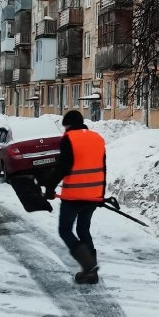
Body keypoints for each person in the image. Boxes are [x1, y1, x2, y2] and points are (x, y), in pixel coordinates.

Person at [45, 109, 107, 285]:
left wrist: (49, 188)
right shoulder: (97, 138)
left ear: (69, 125)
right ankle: (91, 273)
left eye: (65, 127)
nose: (65, 130)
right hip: (93, 195)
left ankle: (88, 265)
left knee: (65, 230)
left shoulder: (69, 138)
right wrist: (100, 195)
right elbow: (103, 167)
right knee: (83, 230)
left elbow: (63, 166)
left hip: (74, 196)